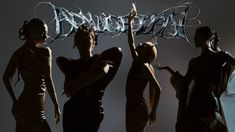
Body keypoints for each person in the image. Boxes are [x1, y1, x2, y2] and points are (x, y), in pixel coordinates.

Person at [158, 26, 234, 132]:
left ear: (206, 37)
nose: (194, 38)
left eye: (197, 36)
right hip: (194, 102)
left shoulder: (221, 56)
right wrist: (169, 70)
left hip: (207, 101)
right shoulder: (195, 62)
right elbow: (185, 83)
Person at [56, 25, 122, 132]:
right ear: (75, 43)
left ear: (94, 41)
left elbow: (106, 66)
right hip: (72, 110)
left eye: (88, 37)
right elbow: (60, 61)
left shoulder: (100, 59)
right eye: (79, 38)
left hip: (92, 109)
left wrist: (77, 85)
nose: (83, 40)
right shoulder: (70, 64)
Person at [2, 18, 61, 132]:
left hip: (20, 107)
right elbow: (48, 80)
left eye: (46, 33)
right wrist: (56, 104)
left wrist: (15, 101)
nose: (45, 36)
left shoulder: (18, 54)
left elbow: (5, 78)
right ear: (32, 31)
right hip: (34, 108)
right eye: (42, 32)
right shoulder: (44, 52)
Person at [125, 4, 161, 132]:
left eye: (144, 45)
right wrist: (130, 22)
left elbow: (158, 89)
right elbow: (131, 42)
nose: (140, 44)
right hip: (131, 106)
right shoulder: (138, 61)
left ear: (147, 56)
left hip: (137, 108)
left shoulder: (144, 67)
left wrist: (154, 112)